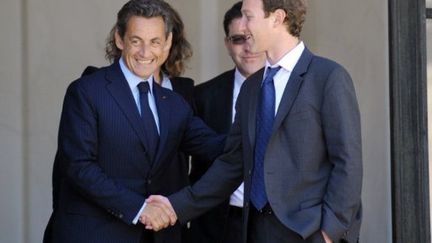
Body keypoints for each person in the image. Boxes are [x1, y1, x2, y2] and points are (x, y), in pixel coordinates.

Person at [146, 0, 363, 242]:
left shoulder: (328, 77)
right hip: (256, 230)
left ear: (278, 18)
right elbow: (231, 164)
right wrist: (175, 206)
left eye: (249, 17)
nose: (244, 27)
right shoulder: (251, 88)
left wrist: (328, 233)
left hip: (309, 233)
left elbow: (347, 163)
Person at [44, 0, 224, 242]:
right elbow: (79, 166)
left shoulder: (173, 103)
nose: (145, 53)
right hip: (95, 235)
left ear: (168, 43)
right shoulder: (86, 91)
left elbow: (216, 147)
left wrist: (265, 128)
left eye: (155, 42)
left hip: (156, 237)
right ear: (120, 39)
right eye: (136, 41)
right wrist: (139, 208)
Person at [188, 2, 265, 243]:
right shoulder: (202, 96)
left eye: (253, 37)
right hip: (218, 224)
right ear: (227, 44)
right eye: (238, 39)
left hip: (277, 221)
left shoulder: (294, 88)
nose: (248, 46)